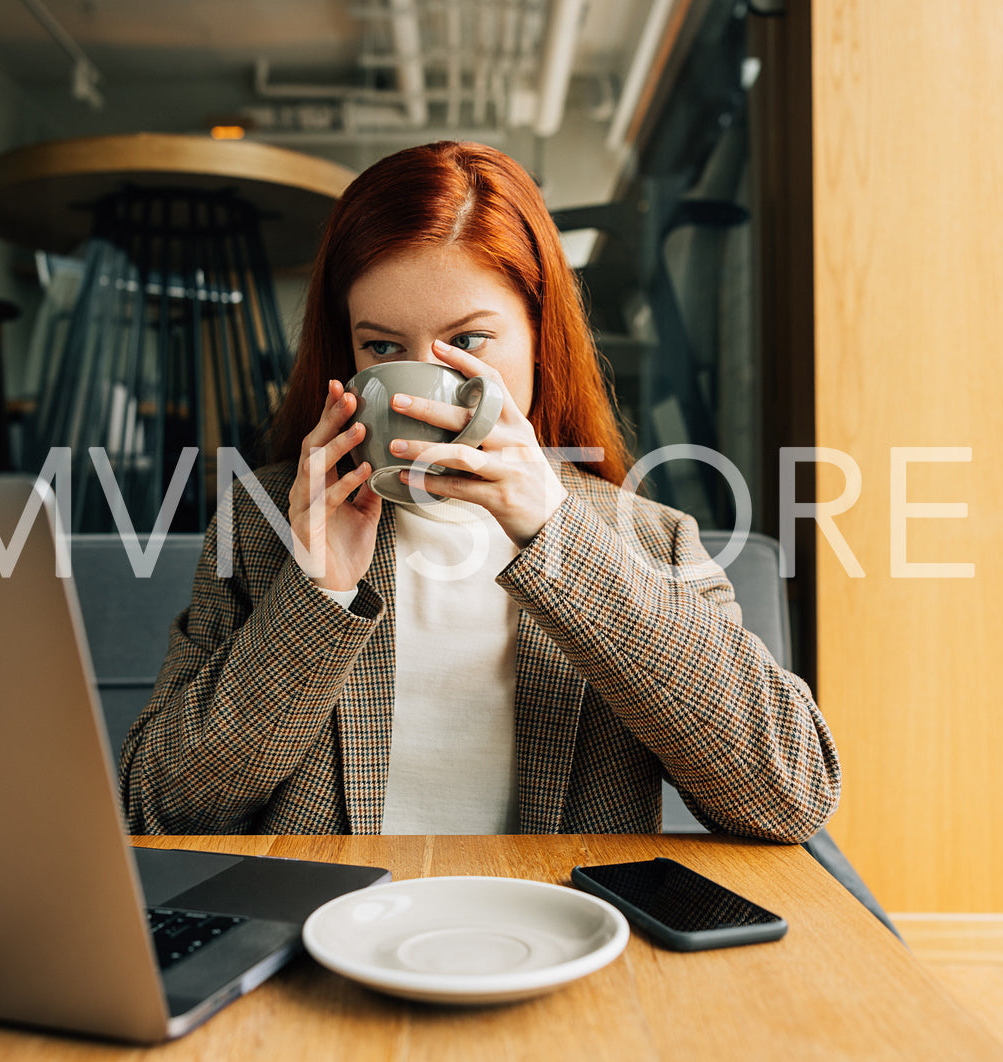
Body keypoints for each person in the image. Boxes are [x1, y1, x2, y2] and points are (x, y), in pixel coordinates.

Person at [119, 141, 839, 842]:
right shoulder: (264, 524)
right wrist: (318, 595)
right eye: (381, 347)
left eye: (467, 342)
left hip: (559, 937)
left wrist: (555, 532)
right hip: (332, 935)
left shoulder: (647, 539)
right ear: (345, 353)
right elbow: (157, 809)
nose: (421, 382)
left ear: (537, 336)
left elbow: (789, 795)